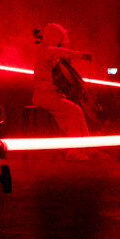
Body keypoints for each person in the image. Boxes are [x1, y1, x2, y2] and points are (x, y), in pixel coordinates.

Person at [31, 22, 95, 156]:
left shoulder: (48, 52)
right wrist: (79, 54)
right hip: (43, 95)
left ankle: (88, 148)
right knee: (72, 110)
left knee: (77, 110)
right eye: (58, 40)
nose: (59, 43)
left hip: (51, 94)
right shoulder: (45, 49)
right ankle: (72, 151)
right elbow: (57, 51)